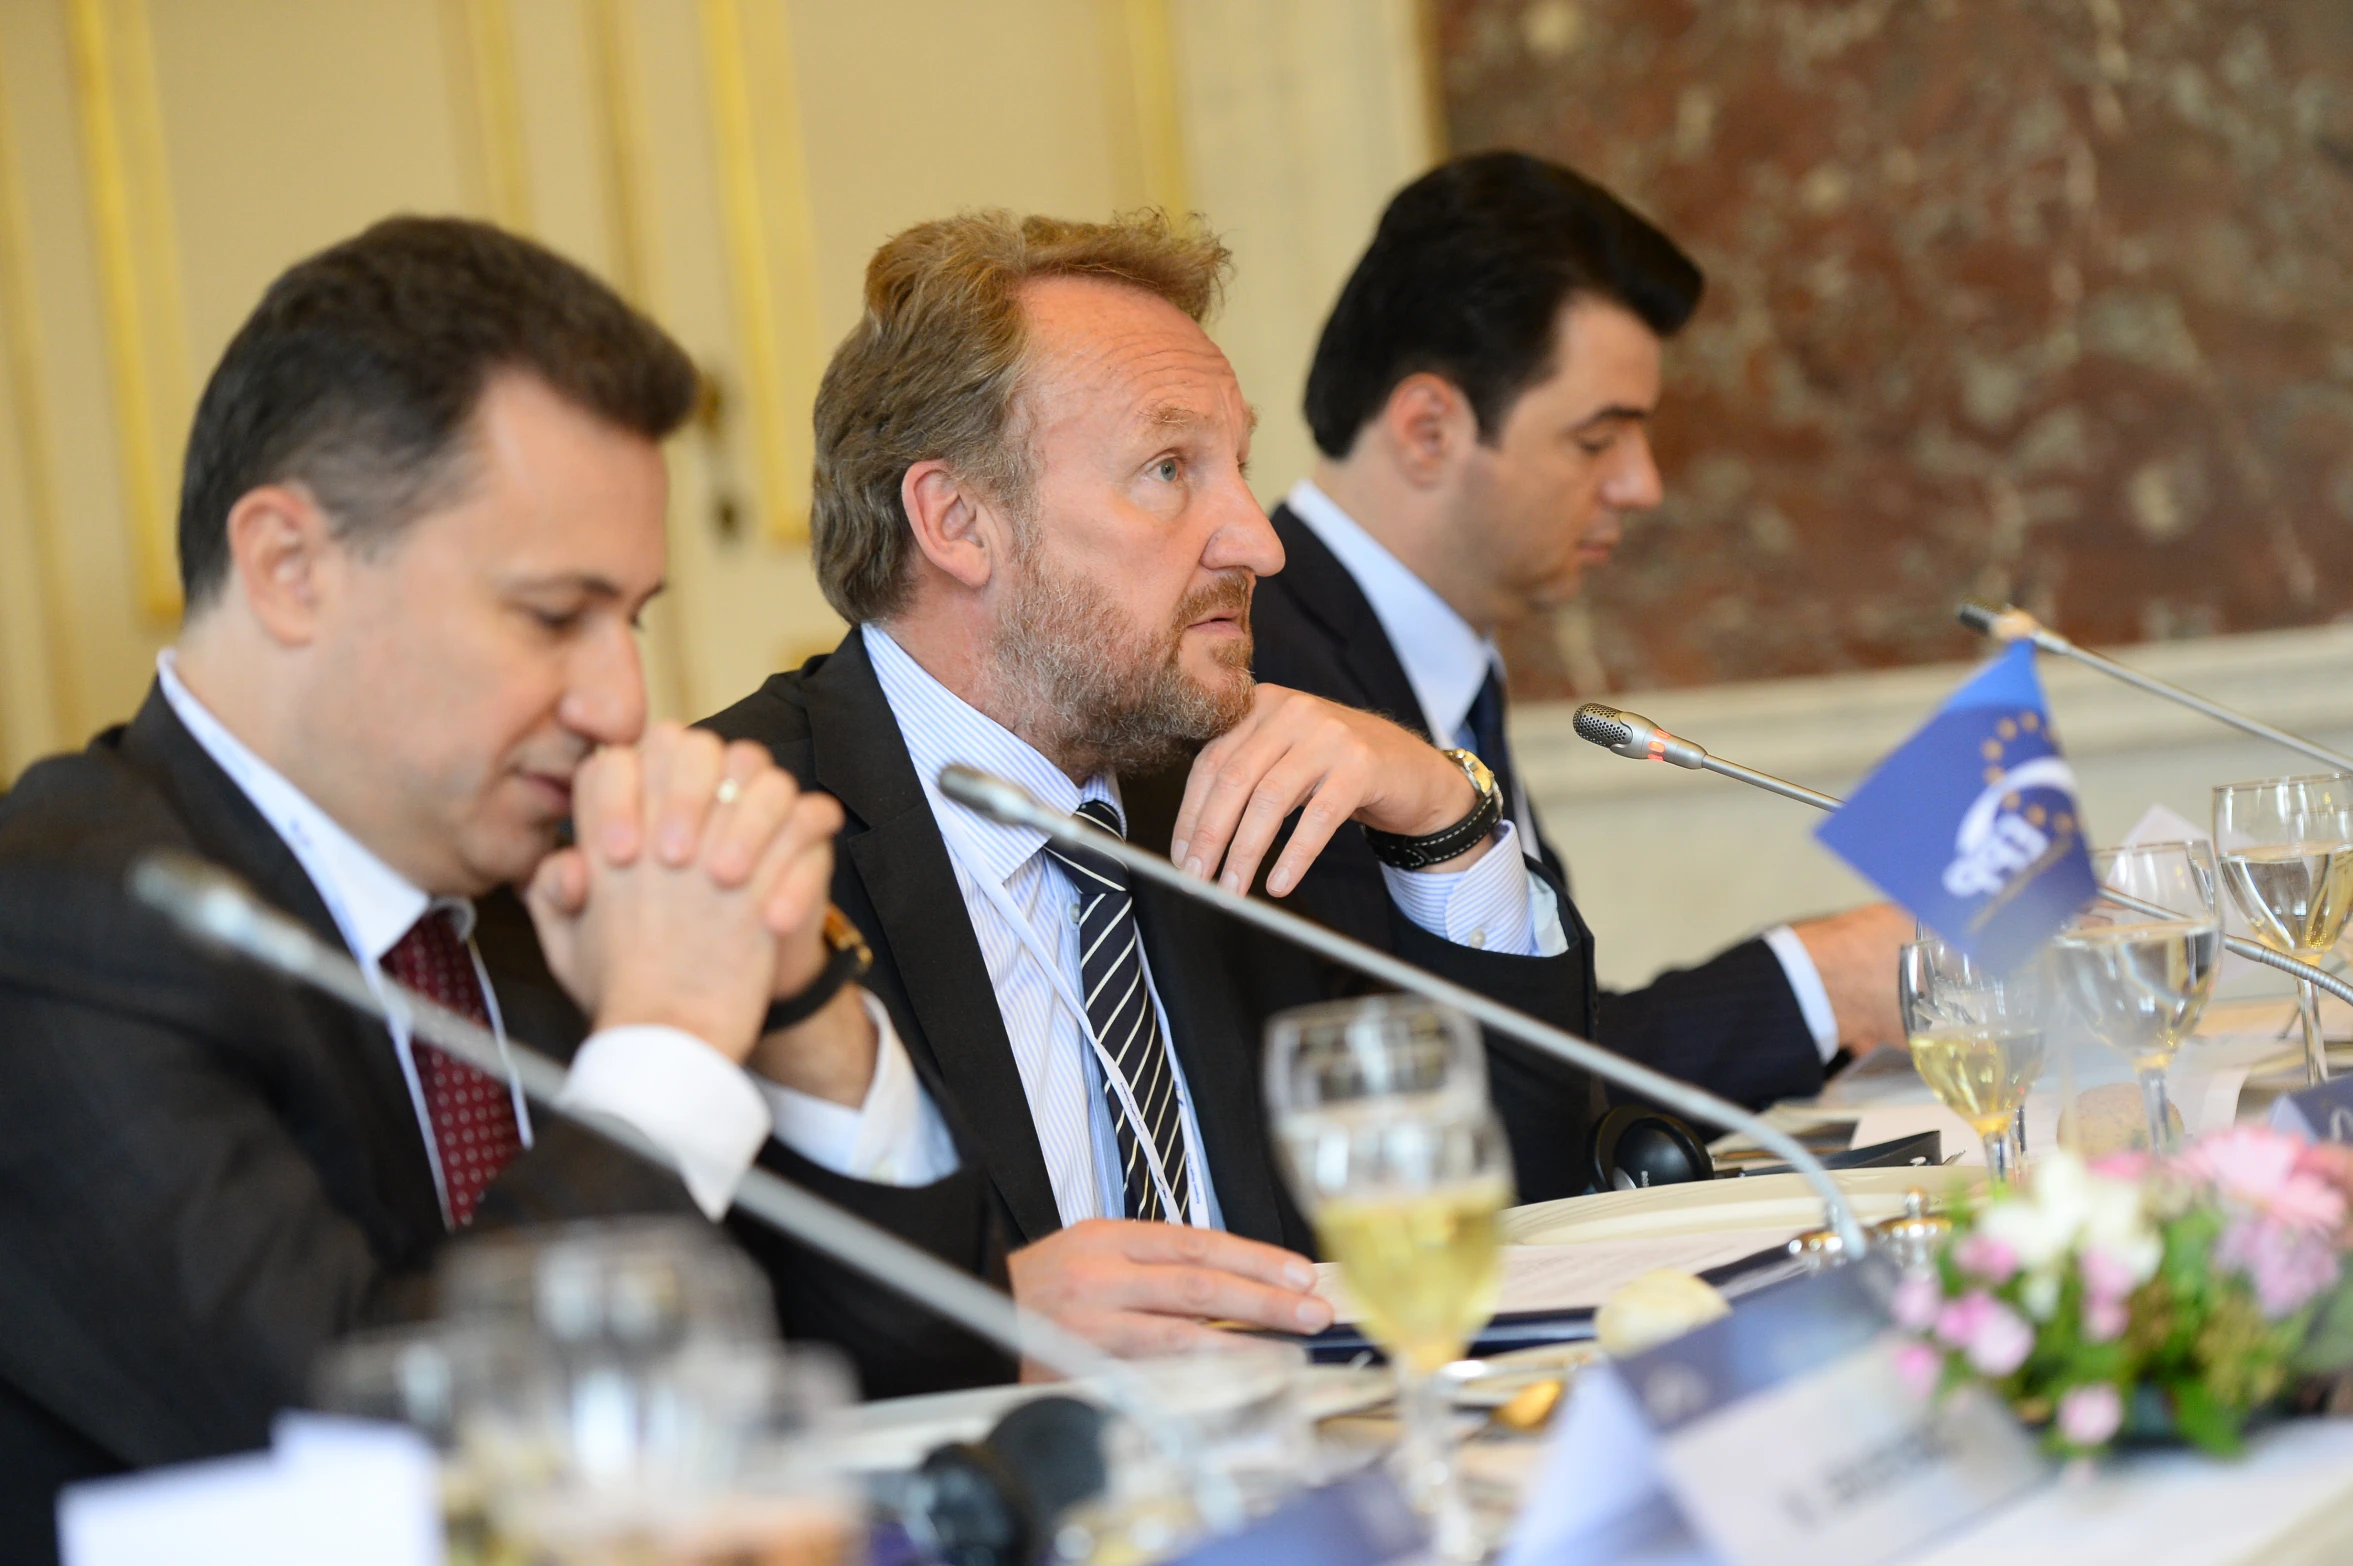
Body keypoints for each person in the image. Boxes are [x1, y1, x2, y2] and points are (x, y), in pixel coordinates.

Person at [0, 218, 1005, 1562]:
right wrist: (661, 1044)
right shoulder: (60, 925)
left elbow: (915, 1371)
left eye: (631, 618)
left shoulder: (552, 880)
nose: (619, 701)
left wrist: (791, 992)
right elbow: (379, 1469)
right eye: (549, 617)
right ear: (290, 566)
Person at [702, 209, 1603, 1356]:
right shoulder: (739, 842)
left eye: (1240, 467)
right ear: (956, 521)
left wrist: (1442, 818)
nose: (1256, 543)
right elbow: (669, 1345)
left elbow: (1517, 1202)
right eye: (1170, 469)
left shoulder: (1242, 789)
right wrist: (981, 1325)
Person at [1252, 152, 1909, 1112]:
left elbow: (1543, 1036)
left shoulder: (1441, 661)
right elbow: (1438, 1087)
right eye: (1595, 440)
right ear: (1428, 429)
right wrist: (1821, 979)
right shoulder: (1266, 673)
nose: (1641, 486)